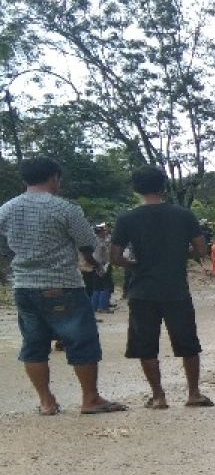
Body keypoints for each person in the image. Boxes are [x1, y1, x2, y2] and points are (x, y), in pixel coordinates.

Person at [0, 156, 127, 415]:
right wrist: (95, 265)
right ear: (54, 177)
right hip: (62, 284)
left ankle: (47, 402)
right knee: (82, 341)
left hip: (23, 286)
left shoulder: (7, 209)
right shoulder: (64, 208)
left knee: (34, 344)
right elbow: (87, 244)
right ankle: (90, 399)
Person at [110, 166, 211, 409]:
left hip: (142, 290)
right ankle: (194, 393)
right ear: (163, 186)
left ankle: (158, 396)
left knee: (145, 345)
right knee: (187, 341)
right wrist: (179, 254)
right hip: (176, 289)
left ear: (137, 188)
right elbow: (201, 250)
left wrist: (134, 265)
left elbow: (115, 257)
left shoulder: (127, 218)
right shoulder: (184, 215)